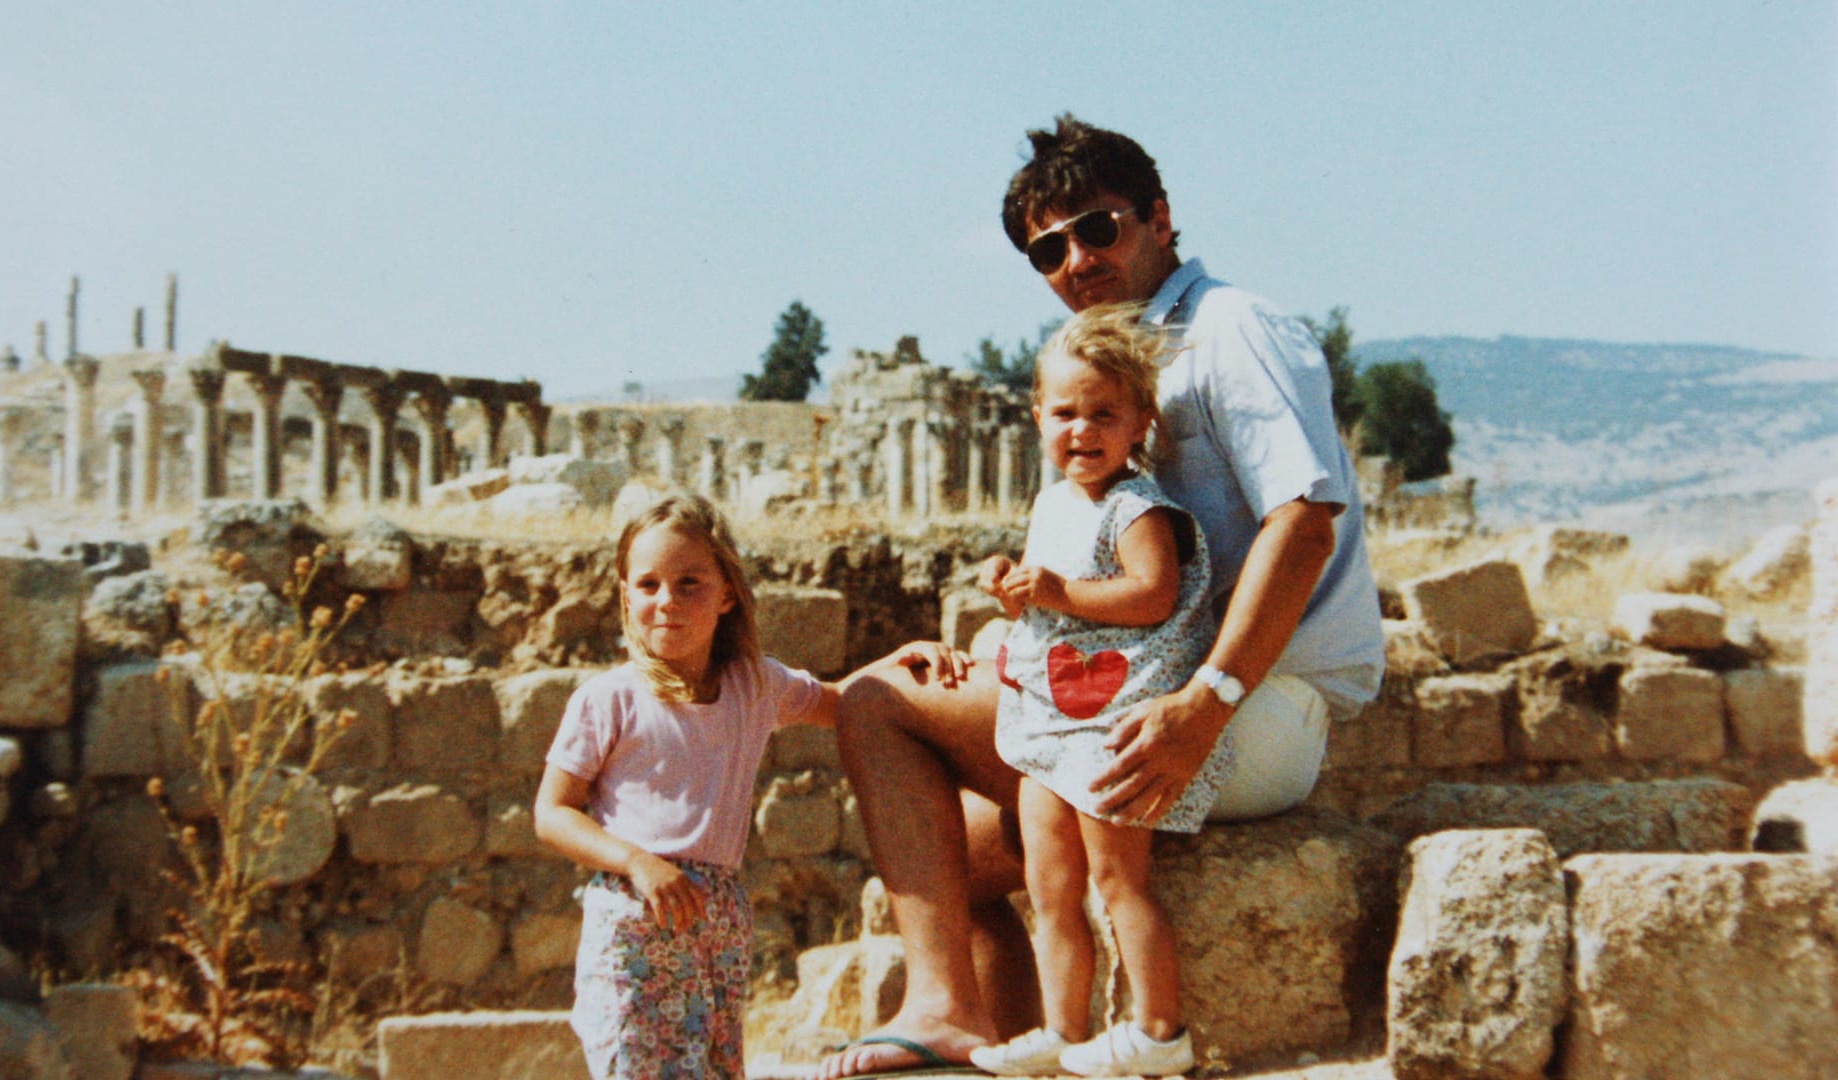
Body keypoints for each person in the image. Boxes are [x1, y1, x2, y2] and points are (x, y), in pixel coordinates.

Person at [815, 114, 1385, 1079]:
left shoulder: (1231, 330)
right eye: (1047, 248)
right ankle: (1025, 1042)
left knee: (873, 701)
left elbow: (1303, 523)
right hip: (1142, 687)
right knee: (946, 852)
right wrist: (1002, 654)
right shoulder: (1114, 364)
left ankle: (942, 1007)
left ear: (1160, 218)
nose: (1075, 259)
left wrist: (1209, 702)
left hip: (1253, 707)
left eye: (1097, 228)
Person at [534, 494, 958, 1078]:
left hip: (719, 920)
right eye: (649, 584)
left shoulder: (753, 686)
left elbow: (843, 703)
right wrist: (636, 862)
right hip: (634, 919)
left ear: (726, 594)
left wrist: (904, 662)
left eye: (689, 584)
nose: (666, 602)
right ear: (625, 594)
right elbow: (553, 812)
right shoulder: (608, 699)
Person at [969, 305, 1214, 1077]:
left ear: (1141, 421)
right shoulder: (1052, 505)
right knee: (1050, 882)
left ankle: (1159, 1028)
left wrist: (1061, 591)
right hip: (1054, 720)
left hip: (1114, 719)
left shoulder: (1137, 508)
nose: (1083, 430)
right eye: (1066, 413)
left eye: (1104, 414)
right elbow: (1054, 603)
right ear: (1038, 415)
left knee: (1117, 877)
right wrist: (1016, 591)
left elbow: (1152, 595)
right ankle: (1064, 1029)